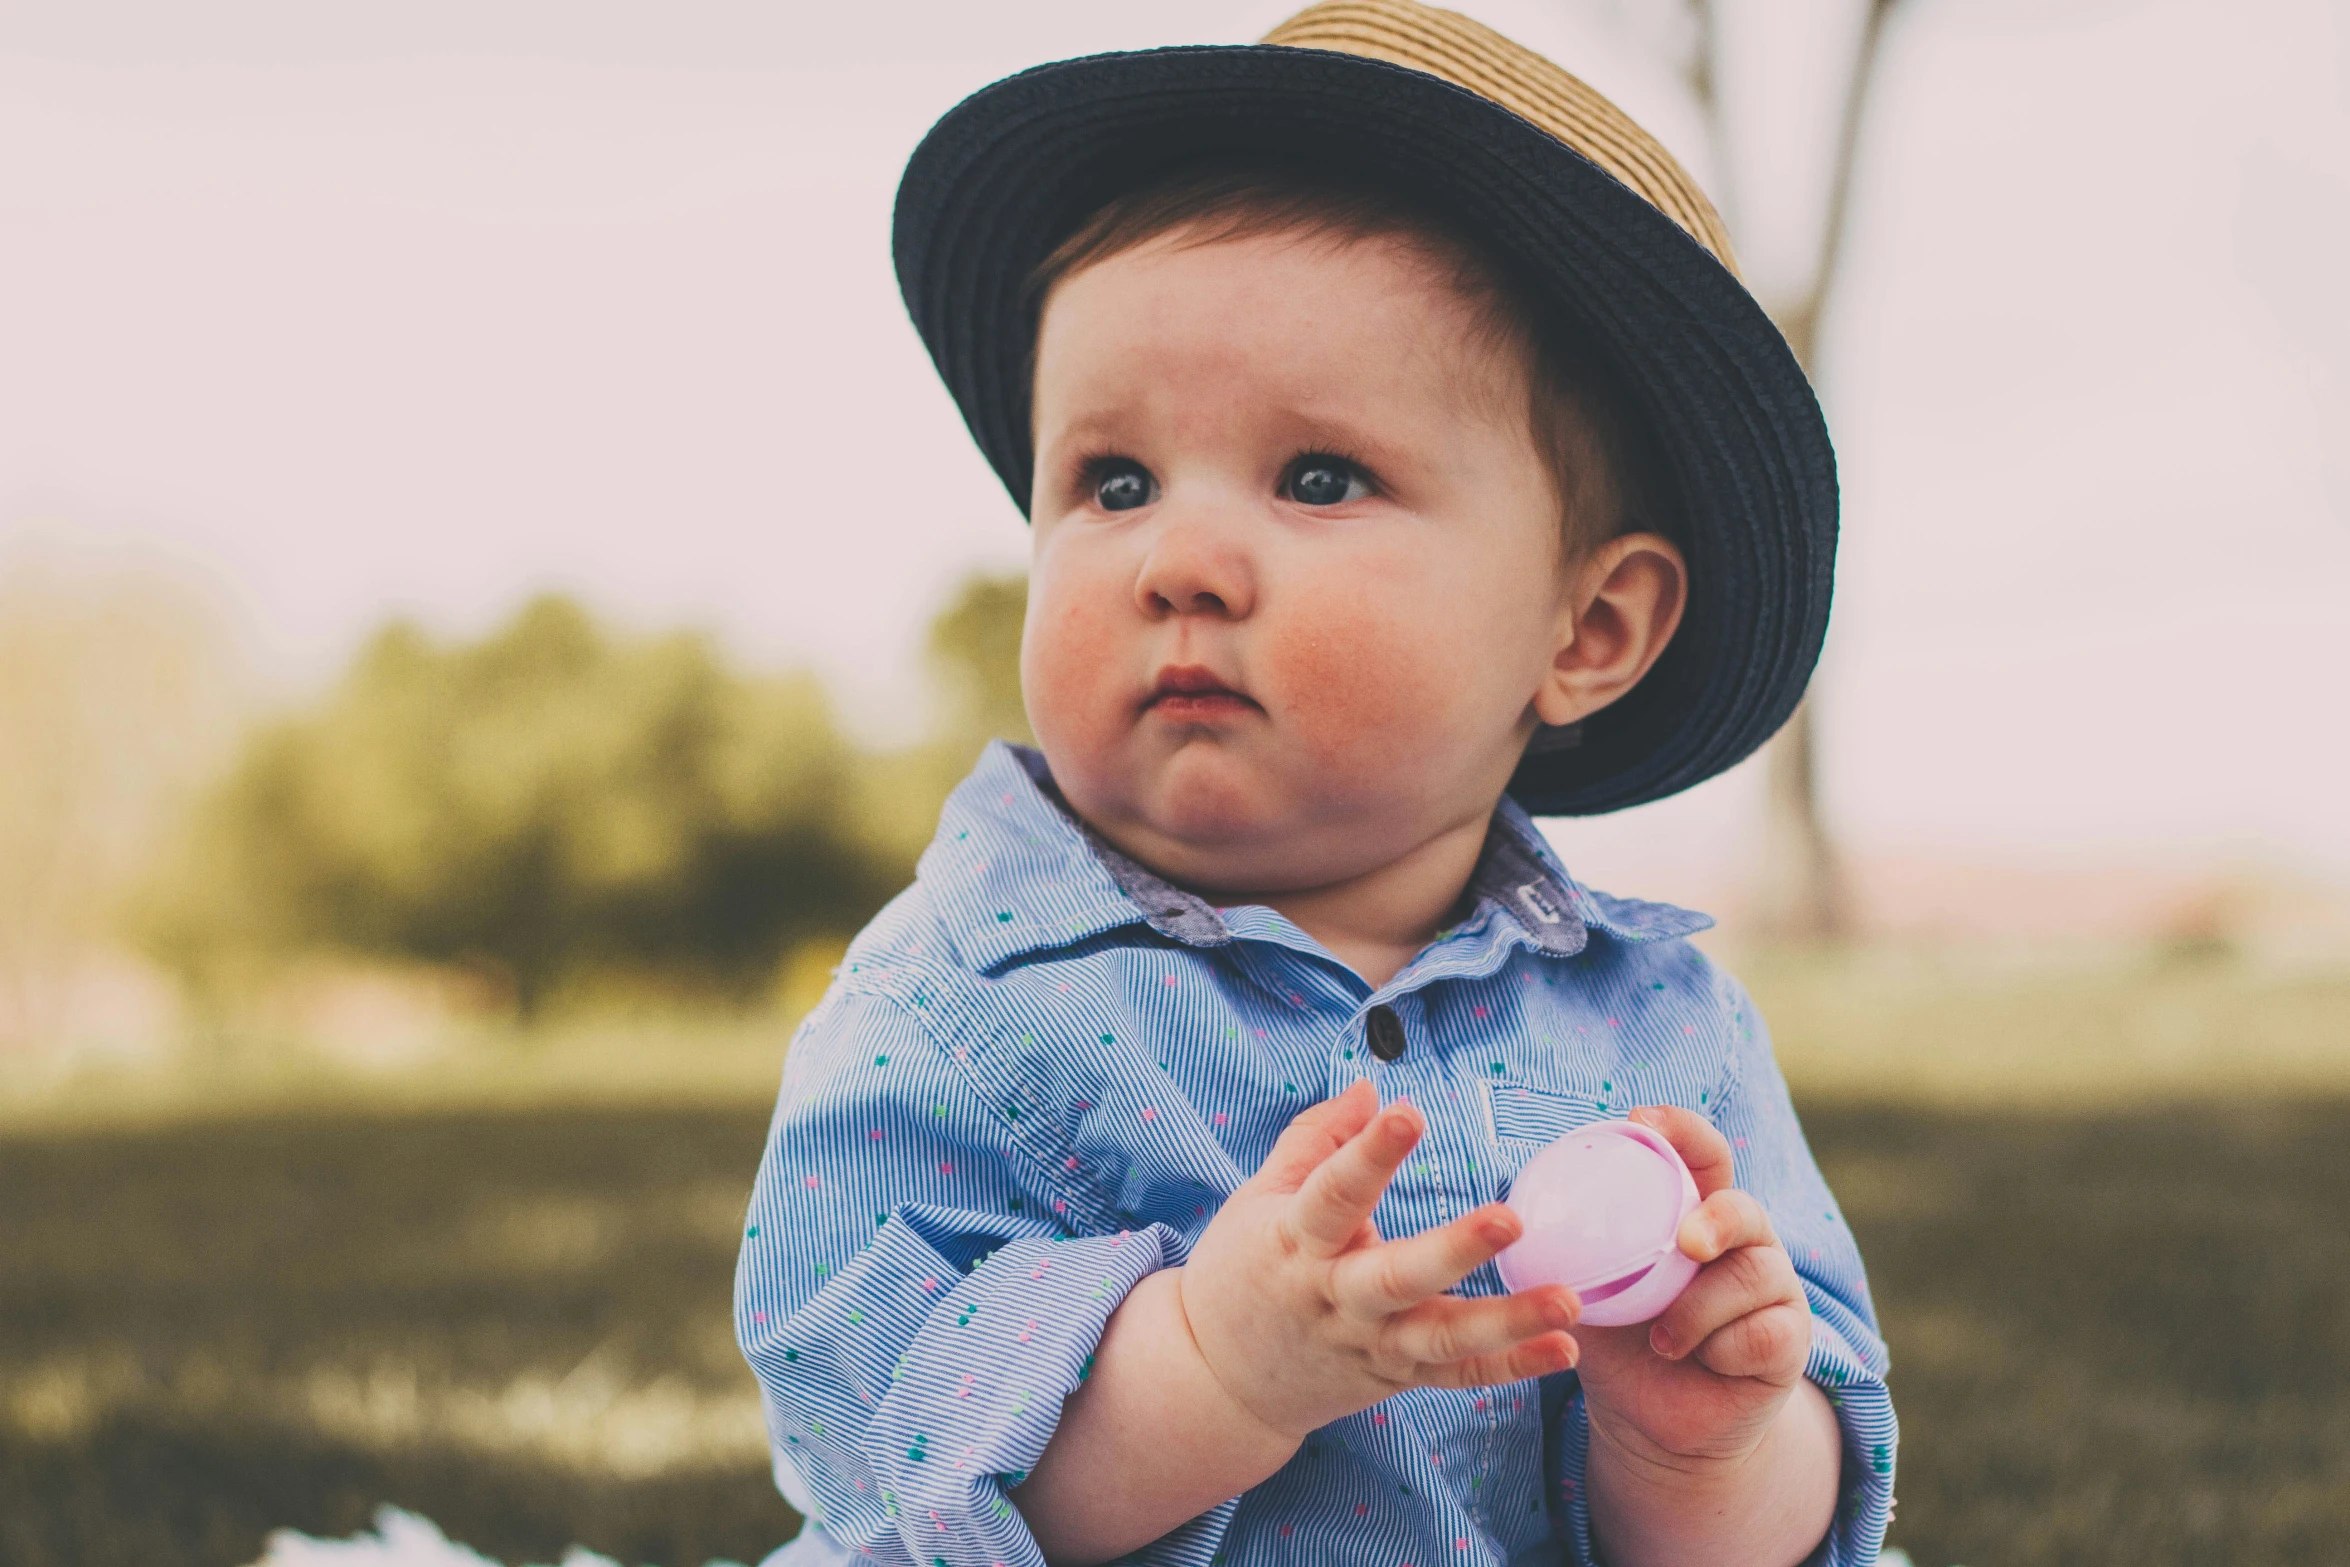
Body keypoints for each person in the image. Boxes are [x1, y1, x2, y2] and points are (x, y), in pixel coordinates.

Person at [735, 3, 1893, 1563]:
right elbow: (884, 1437)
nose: (1180, 559)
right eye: (1113, 480)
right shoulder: (957, 1000)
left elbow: (1782, 1502)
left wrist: (1699, 1442)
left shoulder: (1664, 1029)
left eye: (1319, 477)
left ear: (1588, 627)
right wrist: (1211, 1370)